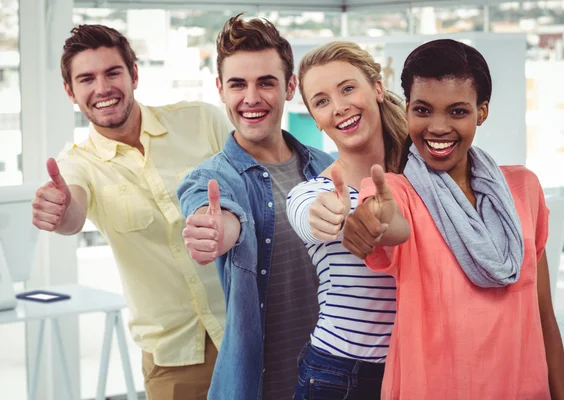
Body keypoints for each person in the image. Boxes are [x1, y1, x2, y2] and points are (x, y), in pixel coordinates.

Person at [341, 38, 564, 400]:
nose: (437, 127)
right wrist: (373, 221)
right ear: (407, 112)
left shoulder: (524, 189)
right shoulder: (397, 192)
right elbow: (389, 221)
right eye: (422, 110)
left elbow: (544, 314)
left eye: (457, 112)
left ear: (482, 112)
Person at [30, 24, 232, 400]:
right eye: (86, 79)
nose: (102, 88)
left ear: (134, 74)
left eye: (112, 72)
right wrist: (59, 213)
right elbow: (73, 212)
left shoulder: (203, 121)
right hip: (173, 357)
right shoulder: (78, 164)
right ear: (70, 92)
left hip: (249, 332)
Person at [176, 14, 334, 400]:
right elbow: (218, 215)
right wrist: (216, 231)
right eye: (237, 84)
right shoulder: (209, 178)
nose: (251, 98)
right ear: (220, 89)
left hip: (335, 381)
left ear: (290, 86)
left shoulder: (328, 167)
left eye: (266, 82)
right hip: (260, 387)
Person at [285, 41, 408, 399]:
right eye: (322, 102)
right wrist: (327, 217)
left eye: (348, 89)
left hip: (416, 369)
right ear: (317, 122)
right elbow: (309, 213)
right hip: (340, 376)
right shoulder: (314, 192)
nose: (339, 108)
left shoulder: (420, 182)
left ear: (378, 88)